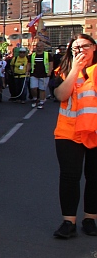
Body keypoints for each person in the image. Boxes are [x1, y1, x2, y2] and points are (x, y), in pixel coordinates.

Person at [51, 34, 97, 239]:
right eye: (75, 48)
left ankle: (90, 219)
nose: (80, 51)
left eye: (85, 46)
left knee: (94, 177)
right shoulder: (63, 71)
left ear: (94, 47)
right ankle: (68, 222)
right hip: (68, 132)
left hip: (95, 132)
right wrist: (75, 70)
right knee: (70, 177)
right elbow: (61, 95)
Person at [29, 45, 52, 109]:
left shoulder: (47, 55)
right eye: (38, 46)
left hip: (44, 74)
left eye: (40, 46)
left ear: (43, 47)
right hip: (34, 73)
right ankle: (35, 98)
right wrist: (27, 70)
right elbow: (29, 63)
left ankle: (41, 102)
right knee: (33, 88)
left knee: (42, 89)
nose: (39, 47)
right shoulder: (32, 55)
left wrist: (49, 71)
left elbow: (51, 63)